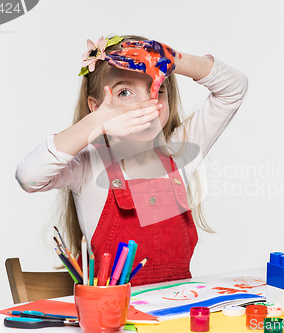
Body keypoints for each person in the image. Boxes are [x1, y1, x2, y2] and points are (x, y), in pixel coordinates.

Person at [16, 34, 248, 286]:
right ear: (95, 107)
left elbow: (234, 87)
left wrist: (172, 59)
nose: (145, 104)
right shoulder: (89, 162)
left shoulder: (180, 151)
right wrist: (95, 123)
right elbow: (29, 177)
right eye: (125, 92)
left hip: (176, 316)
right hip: (112, 320)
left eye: (157, 90)